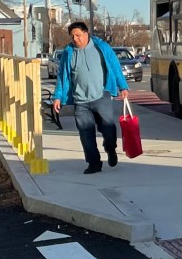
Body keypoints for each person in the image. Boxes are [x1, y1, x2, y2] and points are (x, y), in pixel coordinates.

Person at [51, 22, 130, 175]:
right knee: (86, 133)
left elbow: (114, 66)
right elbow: (63, 77)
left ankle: (110, 148)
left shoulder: (101, 47)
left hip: (101, 95)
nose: (75, 39)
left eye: (78, 35)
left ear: (86, 34)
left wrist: (123, 86)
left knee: (108, 128)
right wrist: (58, 97)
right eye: (73, 36)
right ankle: (94, 163)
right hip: (80, 100)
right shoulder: (69, 52)